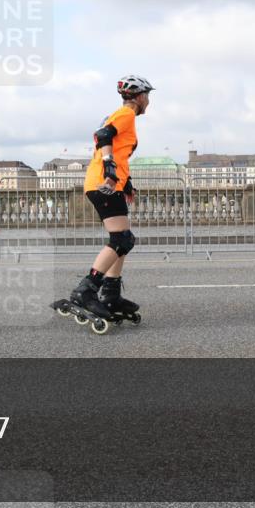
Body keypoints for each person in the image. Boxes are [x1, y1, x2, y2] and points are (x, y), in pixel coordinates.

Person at [67, 74, 154, 323]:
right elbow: (103, 136)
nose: (148, 100)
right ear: (138, 97)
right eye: (146, 95)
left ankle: (111, 293)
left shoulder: (126, 117)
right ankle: (87, 290)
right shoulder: (126, 113)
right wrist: (110, 170)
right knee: (121, 239)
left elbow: (118, 151)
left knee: (124, 240)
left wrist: (127, 184)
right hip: (104, 184)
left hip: (112, 185)